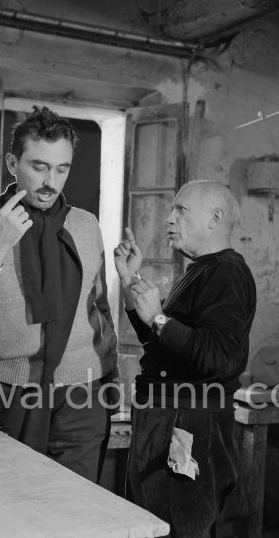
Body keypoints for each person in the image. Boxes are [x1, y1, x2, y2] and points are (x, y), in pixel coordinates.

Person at [0, 106, 118, 483]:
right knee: (14, 507)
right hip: (12, 394)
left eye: (62, 168)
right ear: (12, 162)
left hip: (84, 395)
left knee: (81, 513)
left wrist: (109, 377)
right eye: (39, 166)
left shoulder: (86, 226)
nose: (51, 182)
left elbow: (99, 309)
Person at [114, 180, 256, 538]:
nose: (169, 218)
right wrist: (131, 281)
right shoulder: (201, 269)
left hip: (187, 421)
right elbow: (163, 345)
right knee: (158, 521)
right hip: (168, 416)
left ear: (215, 218)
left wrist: (159, 318)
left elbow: (220, 356)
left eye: (181, 209)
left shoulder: (226, 272)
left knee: (180, 524)